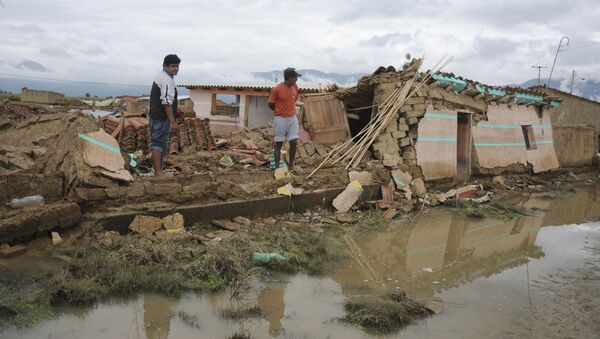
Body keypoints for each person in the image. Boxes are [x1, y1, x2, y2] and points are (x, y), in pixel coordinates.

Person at [149, 54, 180, 178]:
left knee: (162, 143)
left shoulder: (166, 77)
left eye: (177, 66)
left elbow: (169, 101)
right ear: (165, 66)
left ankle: (159, 169)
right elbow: (166, 101)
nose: (176, 69)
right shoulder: (166, 79)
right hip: (161, 118)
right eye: (173, 66)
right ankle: (158, 171)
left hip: (159, 117)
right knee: (158, 143)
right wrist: (172, 121)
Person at [268, 67, 301, 172]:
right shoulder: (277, 89)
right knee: (279, 143)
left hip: (292, 117)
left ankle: (291, 166)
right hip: (280, 118)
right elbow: (271, 104)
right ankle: (277, 168)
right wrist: (279, 111)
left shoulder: (295, 87)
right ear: (289, 78)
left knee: (294, 141)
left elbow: (294, 99)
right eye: (295, 77)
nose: (297, 79)